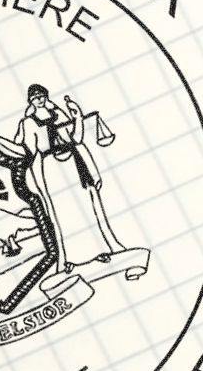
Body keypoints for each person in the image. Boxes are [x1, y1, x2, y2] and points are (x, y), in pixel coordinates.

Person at [12, 84, 128, 273]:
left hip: (73, 164)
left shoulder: (58, 113)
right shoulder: (28, 123)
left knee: (87, 206)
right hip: (52, 169)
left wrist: (77, 116)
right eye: (35, 97)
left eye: (41, 95)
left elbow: (76, 138)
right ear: (30, 101)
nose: (39, 99)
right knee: (62, 212)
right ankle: (70, 259)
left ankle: (102, 249)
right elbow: (30, 152)